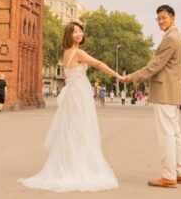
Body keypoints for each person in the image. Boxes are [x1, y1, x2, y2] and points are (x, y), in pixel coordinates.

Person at [19, 21, 121, 192]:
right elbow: (98, 64)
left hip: (72, 93)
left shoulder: (66, 53)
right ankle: (79, 168)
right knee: (82, 129)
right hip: (79, 93)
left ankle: (69, 165)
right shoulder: (78, 52)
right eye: (75, 32)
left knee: (71, 129)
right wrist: (118, 75)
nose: (79, 34)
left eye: (80, 31)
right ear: (69, 35)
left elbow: (67, 78)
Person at [122, 5, 181, 188]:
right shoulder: (175, 36)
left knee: (166, 134)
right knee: (174, 133)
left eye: (164, 18)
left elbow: (155, 65)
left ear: (172, 18)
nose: (160, 21)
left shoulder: (170, 39)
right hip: (172, 91)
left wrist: (132, 77)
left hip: (165, 92)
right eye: (158, 18)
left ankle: (169, 176)